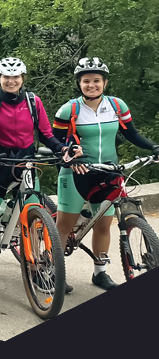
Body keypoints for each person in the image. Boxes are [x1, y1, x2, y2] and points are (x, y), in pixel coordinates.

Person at [52, 57, 159, 291]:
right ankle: (55, 272)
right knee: (64, 226)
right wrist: (70, 159)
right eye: (86, 81)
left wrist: (152, 146)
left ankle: (100, 273)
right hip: (77, 172)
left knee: (103, 226)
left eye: (96, 81)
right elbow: (55, 141)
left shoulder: (117, 106)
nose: (92, 85)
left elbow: (131, 134)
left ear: (105, 82)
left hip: (109, 172)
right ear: (79, 84)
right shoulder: (69, 109)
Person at [0, 57, 72, 292]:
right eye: (6, 77)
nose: (11, 81)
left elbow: (46, 134)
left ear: (22, 78)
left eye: (16, 77)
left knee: (36, 220)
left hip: (26, 164)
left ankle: (37, 269)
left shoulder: (33, 102)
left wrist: (61, 148)